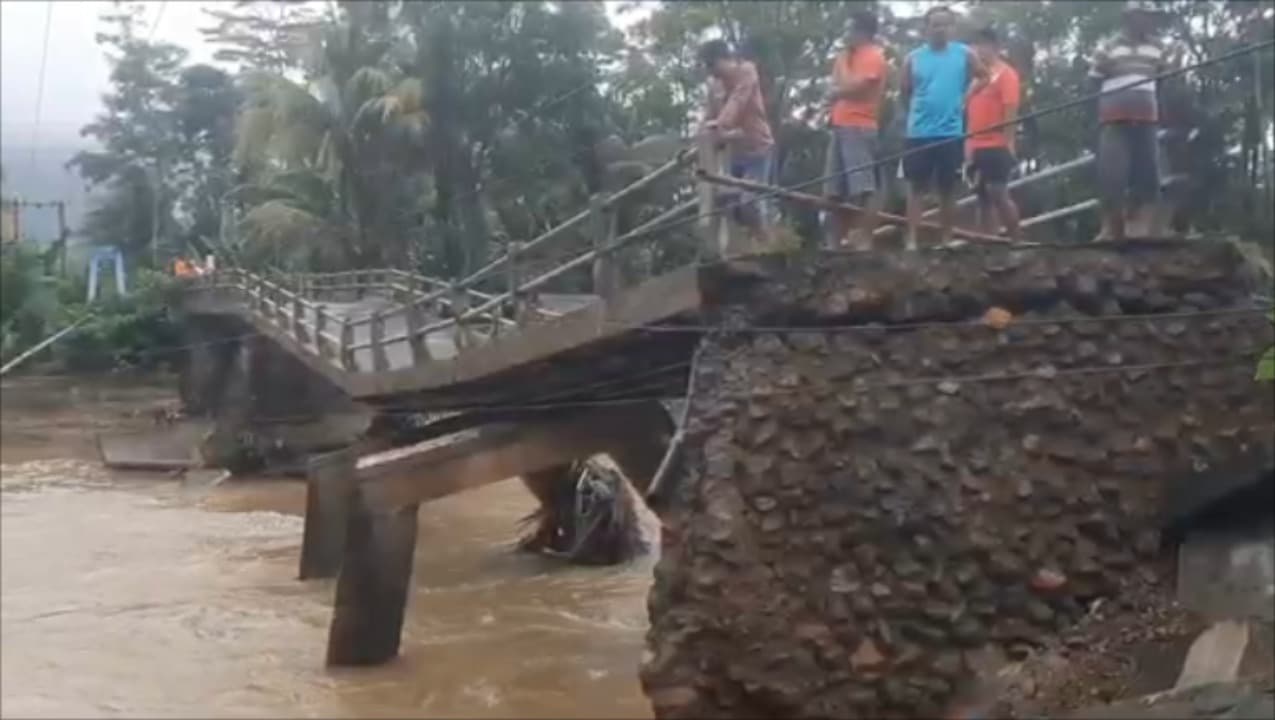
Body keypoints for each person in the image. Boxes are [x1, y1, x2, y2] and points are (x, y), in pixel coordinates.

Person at [899, 5, 989, 249]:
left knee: (947, 188)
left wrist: (966, 97)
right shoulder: (913, 58)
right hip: (918, 132)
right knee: (915, 187)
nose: (940, 29)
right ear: (926, 28)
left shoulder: (964, 53)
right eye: (935, 24)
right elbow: (904, 92)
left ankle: (946, 239)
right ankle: (912, 239)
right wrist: (916, 114)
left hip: (951, 131)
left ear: (952, 27)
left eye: (945, 24)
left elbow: (983, 76)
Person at [1087, 0, 1168, 240]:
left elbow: (1163, 80)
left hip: (1147, 119)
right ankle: (1112, 229)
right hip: (1114, 120)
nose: (1148, 20)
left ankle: (1143, 229)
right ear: (1130, 17)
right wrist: (1100, 111)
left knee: (1149, 174)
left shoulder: (1158, 48)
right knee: (1112, 175)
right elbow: (1093, 81)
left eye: (1150, 16)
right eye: (1143, 15)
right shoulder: (1108, 47)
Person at [698, 39, 776, 245]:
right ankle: (754, 244)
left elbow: (738, 101)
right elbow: (707, 115)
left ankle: (768, 246)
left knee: (751, 202)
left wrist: (720, 124)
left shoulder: (747, 72)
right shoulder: (715, 86)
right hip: (735, 153)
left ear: (724, 59)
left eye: (711, 64)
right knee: (730, 205)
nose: (710, 71)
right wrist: (700, 133)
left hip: (757, 148)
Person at [823, 10, 889, 250]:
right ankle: (834, 243)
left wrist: (838, 90)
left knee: (863, 187)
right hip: (838, 124)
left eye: (850, 29)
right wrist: (836, 92)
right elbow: (833, 86)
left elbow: (861, 85)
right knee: (833, 190)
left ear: (864, 32)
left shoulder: (874, 55)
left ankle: (864, 239)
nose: (846, 35)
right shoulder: (842, 57)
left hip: (860, 126)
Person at [965, 25, 1022, 242]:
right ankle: (987, 242)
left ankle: (1016, 239)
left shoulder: (1006, 74)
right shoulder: (976, 79)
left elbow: (1011, 109)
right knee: (981, 197)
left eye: (983, 46)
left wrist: (1009, 142)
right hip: (976, 143)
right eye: (976, 46)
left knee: (998, 192)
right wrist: (968, 143)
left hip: (996, 143)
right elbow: (967, 111)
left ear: (995, 47)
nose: (979, 51)